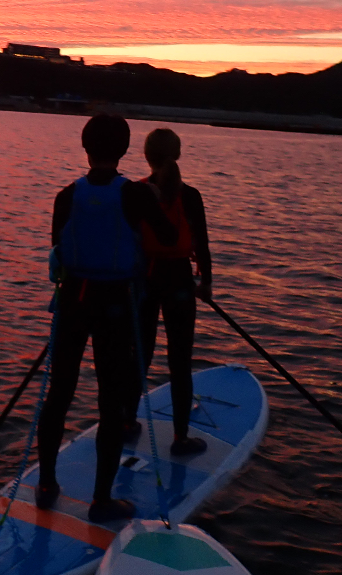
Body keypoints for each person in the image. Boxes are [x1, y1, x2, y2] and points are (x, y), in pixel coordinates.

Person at [35, 114, 178, 523]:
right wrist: (152, 197)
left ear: (86, 147)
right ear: (124, 150)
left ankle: (46, 485)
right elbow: (168, 238)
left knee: (58, 393)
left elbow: (58, 245)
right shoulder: (136, 195)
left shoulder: (67, 195)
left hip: (73, 302)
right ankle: (100, 499)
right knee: (110, 402)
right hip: (114, 304)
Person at [129, 127, 212, 457]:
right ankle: (179, 438)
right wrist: (205, 282)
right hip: (179, 281)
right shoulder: (190, 195)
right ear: (177, 155)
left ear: (146, 156)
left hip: (144, 280)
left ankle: (125, 422)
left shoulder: (135, 192)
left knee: (139, 355)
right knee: (180, 360)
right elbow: (201, 243)